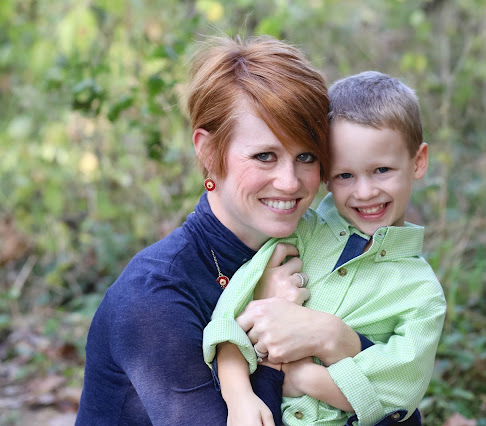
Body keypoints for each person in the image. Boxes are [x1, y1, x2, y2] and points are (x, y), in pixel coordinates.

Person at [76, 35, 381, 425]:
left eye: (306, 156)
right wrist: (269, 340)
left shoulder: (324, 253)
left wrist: (337, 338)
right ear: (208, 151)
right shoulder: (152, 298)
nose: (290, 182)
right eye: (264, 156)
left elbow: (402, 410)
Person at [204, 71, 447, 426]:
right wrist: (238, 396)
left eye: (382, 170)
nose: (365, 192)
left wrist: (306, 379)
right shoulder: (300, 234)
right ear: (326, 175)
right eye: (345, 175)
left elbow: (398, 392)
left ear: (418, 161)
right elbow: (229, 317)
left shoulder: (421, 293)